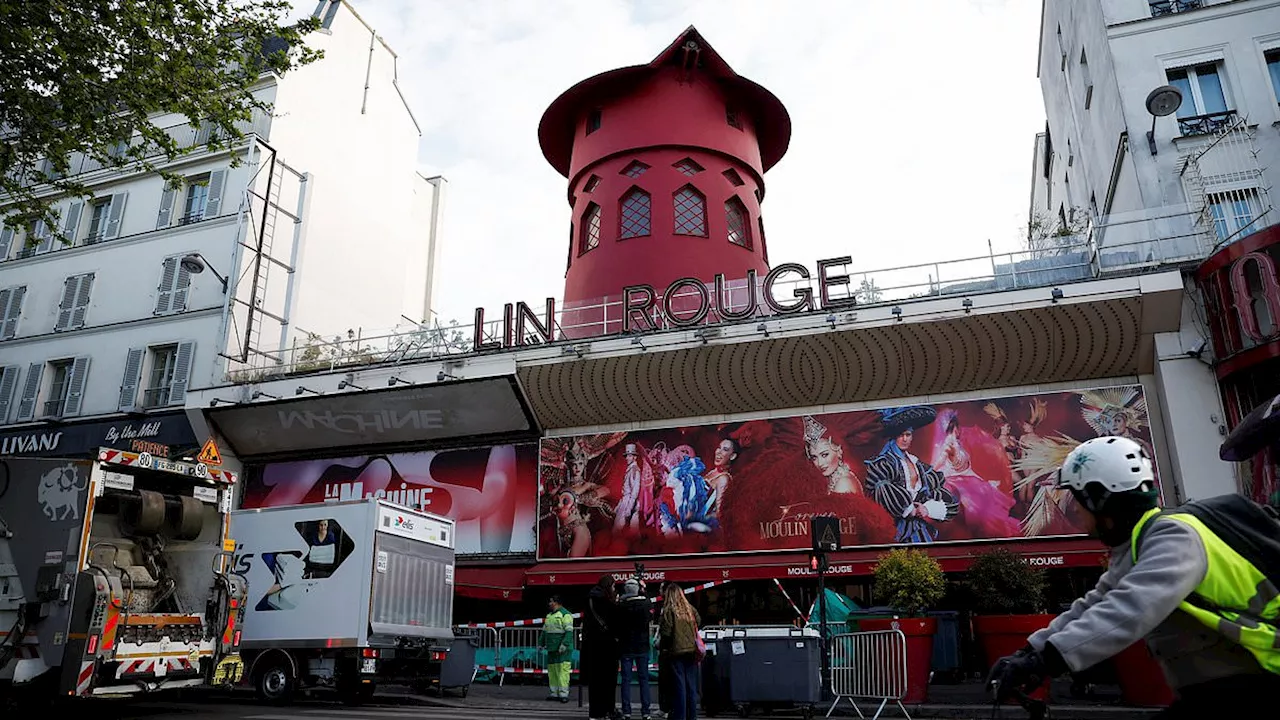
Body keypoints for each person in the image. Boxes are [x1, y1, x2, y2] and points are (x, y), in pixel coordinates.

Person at [985, 434, 1280, 717]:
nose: (1074, 509)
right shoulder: (1139, 543)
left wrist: (1046, 660)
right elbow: (1095, 603)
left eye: (1077, 499)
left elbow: (1130, 608)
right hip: (1219, 690)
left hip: (1259, 681)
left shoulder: (1175, 537)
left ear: (1100, 501)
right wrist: (1029, 651)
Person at [658, 583, 701, 720]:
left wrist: (663, 648)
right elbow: (698, 622)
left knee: (679, 687)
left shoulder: (669, 610)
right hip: (691, 651)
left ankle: (680, 716)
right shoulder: (690, 609)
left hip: (676, 652)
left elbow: (666, 633)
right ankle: (692, 715)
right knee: (691, 687)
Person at [583, 575, 621, 720]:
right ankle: (608, 709)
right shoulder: (608, 602)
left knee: (595, 682)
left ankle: (595, 712)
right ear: (608, 586)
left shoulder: (590, 599)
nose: (614, 589)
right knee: (608, 681)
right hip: (608, 646)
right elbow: (616, 624)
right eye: (613, 586)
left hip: (592, 646)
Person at [617, 578, 655, 720]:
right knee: (643, 679)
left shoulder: (621, 605)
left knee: (625, 680)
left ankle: (626, 710)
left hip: (626, 646)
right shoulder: (645, 603)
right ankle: (646, 711)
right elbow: (651, 615)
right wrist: (645, 592)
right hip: (642, 645)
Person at [542, 595, 574, 703]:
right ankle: (554, 693)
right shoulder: (549, 616)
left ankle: (563, 694)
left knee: (562, 671)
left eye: (551, 602)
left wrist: (564, 644)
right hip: (552, 648)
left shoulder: (565, 614)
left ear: (556, 602)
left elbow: (569, 631)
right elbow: (545, 631)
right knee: (553, 671)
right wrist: (540, 643)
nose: (549, 604)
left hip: (562, 649)